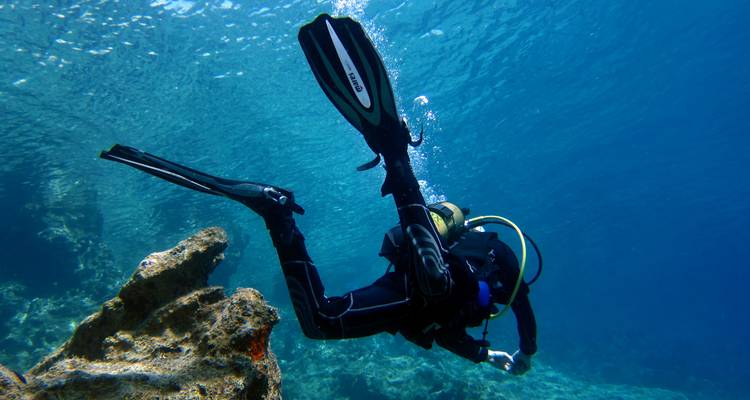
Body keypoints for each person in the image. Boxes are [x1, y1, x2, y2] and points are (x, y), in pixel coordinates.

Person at [100, 13, 537, 374]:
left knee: (321, 323)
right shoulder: (500, 255)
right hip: (428, 275)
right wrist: (527, 354)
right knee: (436, 278)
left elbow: (445, 333)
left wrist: (486, 354)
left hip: (409, 301)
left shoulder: (467, 314)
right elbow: (524, 313)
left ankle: (275, 212)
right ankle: (394, 150)